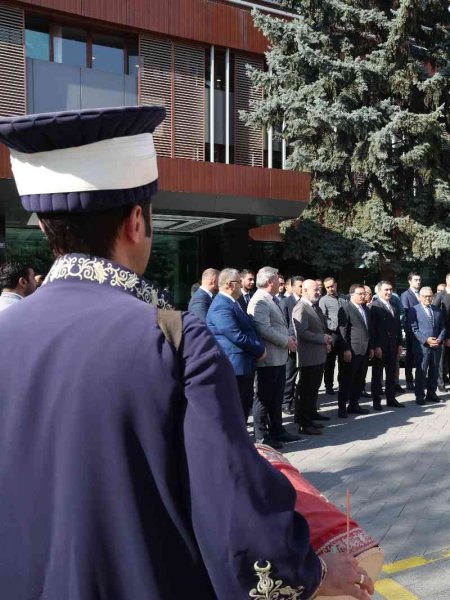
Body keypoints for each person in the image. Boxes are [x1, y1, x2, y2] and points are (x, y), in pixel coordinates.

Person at [0, 106, 372, 599]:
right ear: (137, 221)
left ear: (47, 231)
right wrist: (315, 575)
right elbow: (233, 510)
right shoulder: (173, 339)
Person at [248, 266, 302, 446]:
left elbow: (278, 324)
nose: (281, 281)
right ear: (270, 281)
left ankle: (277, 430)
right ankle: (261, 436)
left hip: (278, 358)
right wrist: (285, 341)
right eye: (278, 278)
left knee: (276, 397)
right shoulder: (260, 300)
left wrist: (288, 338)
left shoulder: (270, 299)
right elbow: (263, 329)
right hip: (268, 358)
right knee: (264, 398)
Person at [207, 268, 266, 422]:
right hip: (235, 365)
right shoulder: (221, 305)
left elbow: (249, 328)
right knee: (237, 408)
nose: (242, 285)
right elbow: (236, 335)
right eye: (239, 282)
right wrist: (259, 350)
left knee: (244, 405)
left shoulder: (232, 302)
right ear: (229, 285)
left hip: (243, 363)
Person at [292, 279, 333, 435]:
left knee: (313, 389)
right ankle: (304, 423)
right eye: (315, 289)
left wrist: (326, 340)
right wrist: (321, 339)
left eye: (319, 289)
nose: (318, 292)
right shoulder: (301, 307)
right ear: (305, 290)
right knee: (306, 391)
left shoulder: (314, 306)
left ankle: (311, 414)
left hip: (318, 355)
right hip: (308, 357)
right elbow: (302, 333)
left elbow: (321, 328)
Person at [337, 284, 375, 418]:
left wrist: (370, 347)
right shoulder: (345, 308)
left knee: (360, 380)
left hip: (364, 351)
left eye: (364, 293)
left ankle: (354, 404)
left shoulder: (366, 309)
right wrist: (346, 349)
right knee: (347, 380)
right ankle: (342, 408)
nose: (363, 296)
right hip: (351, 351)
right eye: (360, 294)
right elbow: (342, 332)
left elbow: (368, 330)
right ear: (352, 294)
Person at [407, 286, 446, 405]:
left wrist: (439, 339)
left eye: (430, 296)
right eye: (425, 296)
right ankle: (419, 396)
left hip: (436, 346)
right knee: (421, 371)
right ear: (420, 297)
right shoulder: (414, 310)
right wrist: (426, 340)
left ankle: (431, 394)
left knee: (434, 371)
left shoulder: (437, 310)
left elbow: (443, 327)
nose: (428, 298)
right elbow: (413, 329)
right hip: (422, 347)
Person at [370, 280, 404, 410]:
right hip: (381, 347)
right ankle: (377, 401)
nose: (389, 292)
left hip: (393, 346)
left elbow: (397, 327)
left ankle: (391, 399)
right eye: (386, 290)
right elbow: (372, 329)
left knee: (391, 374)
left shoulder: (394, 306)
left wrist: (400, 343)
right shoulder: (374, 307)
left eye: (390, 290)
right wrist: (376, 346)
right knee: (377, 375)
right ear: (378, 292)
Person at [319, 277, 345, 395]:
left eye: (332, 286)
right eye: (327, 287)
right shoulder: (323, 300)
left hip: (344, 333)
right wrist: (334, 326)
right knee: (330, 362)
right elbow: (323, 317)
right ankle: (328, 385)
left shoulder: (344, 298)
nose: (330, 289)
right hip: (332, 333)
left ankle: (342, 384)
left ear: (336, 284)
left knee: (343, 360)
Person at [282, 276, 304, 417]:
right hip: (292, 344)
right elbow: (284, 323)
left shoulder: (306, 302)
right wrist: (289, 341)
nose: (303, 289)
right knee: (289, 375)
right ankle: (286, 402)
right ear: (293, 287)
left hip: (305, 344)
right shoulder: (286, 302)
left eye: (304, 286)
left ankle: (300, 402)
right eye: (300, 286)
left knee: (303, 375)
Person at [435, 271, 450, 390]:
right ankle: (440, 382)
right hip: (443, 331)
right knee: (441, 359)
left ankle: (446, 376)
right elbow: (435, 311)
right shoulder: (441, 295)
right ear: (447, 280)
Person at [400, 271, 422, 392]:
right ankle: (409, 380)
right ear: (409, 281)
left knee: (421, 355)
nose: (418, 282)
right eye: (416, 280)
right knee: (410, 356)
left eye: (419, 280)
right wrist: (412, 329)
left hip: (423, 330)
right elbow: (406, 313)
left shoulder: (422, 293)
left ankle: (420, 379)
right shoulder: (405, 295)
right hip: (412, 330)